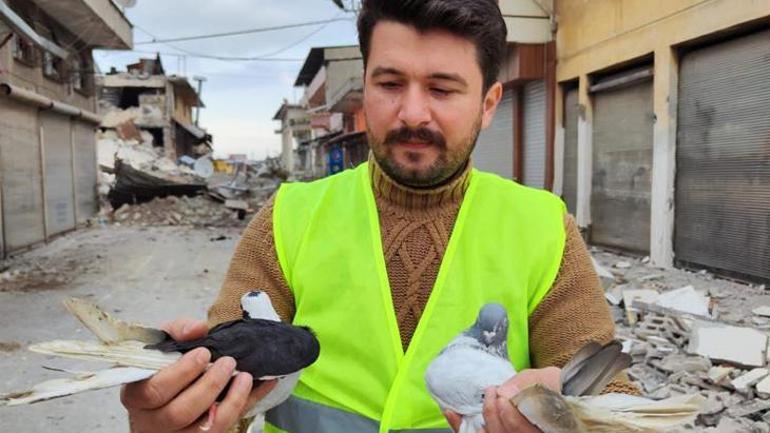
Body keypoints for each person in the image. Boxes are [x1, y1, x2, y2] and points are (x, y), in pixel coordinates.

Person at [121, 1, 638, 432]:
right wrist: (182, 415)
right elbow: (227, 395)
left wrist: (584, 419)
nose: (412, 112)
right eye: (390, 83)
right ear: (365, 88)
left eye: (441, 89)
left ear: (488, 103)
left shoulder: (543, 227)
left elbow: (612, 394)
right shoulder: (288, 219)